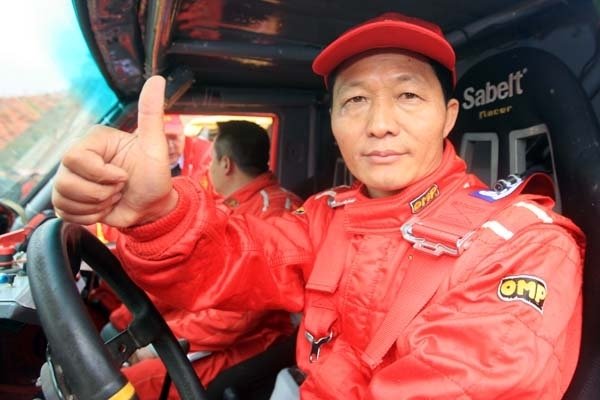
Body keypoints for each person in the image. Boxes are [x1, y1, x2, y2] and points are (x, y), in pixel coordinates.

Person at [53, 13, 585, 400]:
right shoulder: (329, 215)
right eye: (355, 100)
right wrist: (159, 214)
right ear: (333, 122)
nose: (380, 124)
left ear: (448, 116)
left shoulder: (521, 244)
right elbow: (236, 259)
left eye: (407, 96)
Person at [104, 120, 302, 399]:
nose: (207, 168)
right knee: (114, 335)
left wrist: (159, 342)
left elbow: (236, 318)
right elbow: (192, 278)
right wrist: (128, 318)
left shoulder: (274, 215)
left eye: (211, 161)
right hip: (212, 327)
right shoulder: (236, 205)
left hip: (254, 341)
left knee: (124, 385)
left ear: (226, 164)